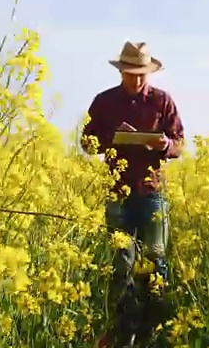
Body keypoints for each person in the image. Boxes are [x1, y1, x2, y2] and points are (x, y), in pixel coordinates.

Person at [80, 41, 184, 347]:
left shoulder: (163, 101)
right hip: (117, 193)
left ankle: (155, 328)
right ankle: (122, 330)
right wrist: (111, 139)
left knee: (156, 259)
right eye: (130, 73)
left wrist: (163, 145)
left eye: (141, 74)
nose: (136, 80)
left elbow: (179, 142)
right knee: (121, 264)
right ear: (121, 71)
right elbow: (87, 143)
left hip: (152, 191)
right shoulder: (104, 102)